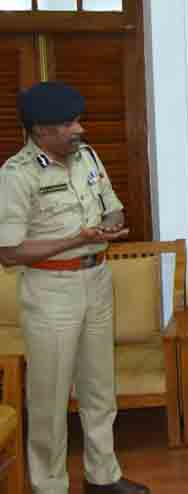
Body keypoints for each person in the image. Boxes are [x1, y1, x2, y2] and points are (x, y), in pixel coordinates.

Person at [0, 81, 148, 494]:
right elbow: (9, 253)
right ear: (40, 130)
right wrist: (75, 239)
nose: (78, 129)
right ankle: (49, 485)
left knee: (99, 388)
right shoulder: (16, 175)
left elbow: (113, 207)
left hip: (97, 280)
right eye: (67, 124)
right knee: (49, 398)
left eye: (77, 120)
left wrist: (111, 224)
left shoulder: (87, 156)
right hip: (51, 290)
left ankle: (103, 476)